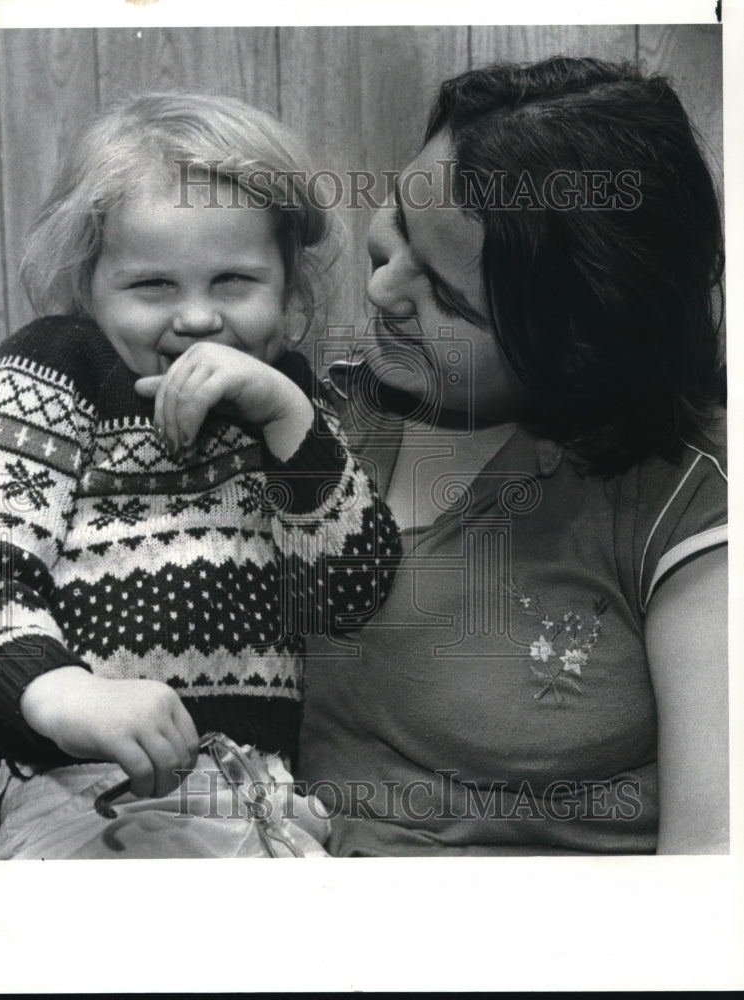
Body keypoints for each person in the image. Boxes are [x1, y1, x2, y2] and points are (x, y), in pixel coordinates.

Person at [0, 92, 400, 859]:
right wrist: (62, 693)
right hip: (84, 785)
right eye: (152, 286)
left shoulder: (292, 402)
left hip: (260, 795)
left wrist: (285, 418)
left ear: (287, 293)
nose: (197, 319)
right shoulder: (51, 370)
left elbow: (351, 590)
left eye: (235, 282)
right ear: (88, 284)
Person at [297, 56, 728, 855]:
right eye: (399, 220)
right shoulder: (326, 422)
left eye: (447, 298)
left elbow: (710, 879)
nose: (385, 290)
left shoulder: (686, 507)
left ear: (574, 346)